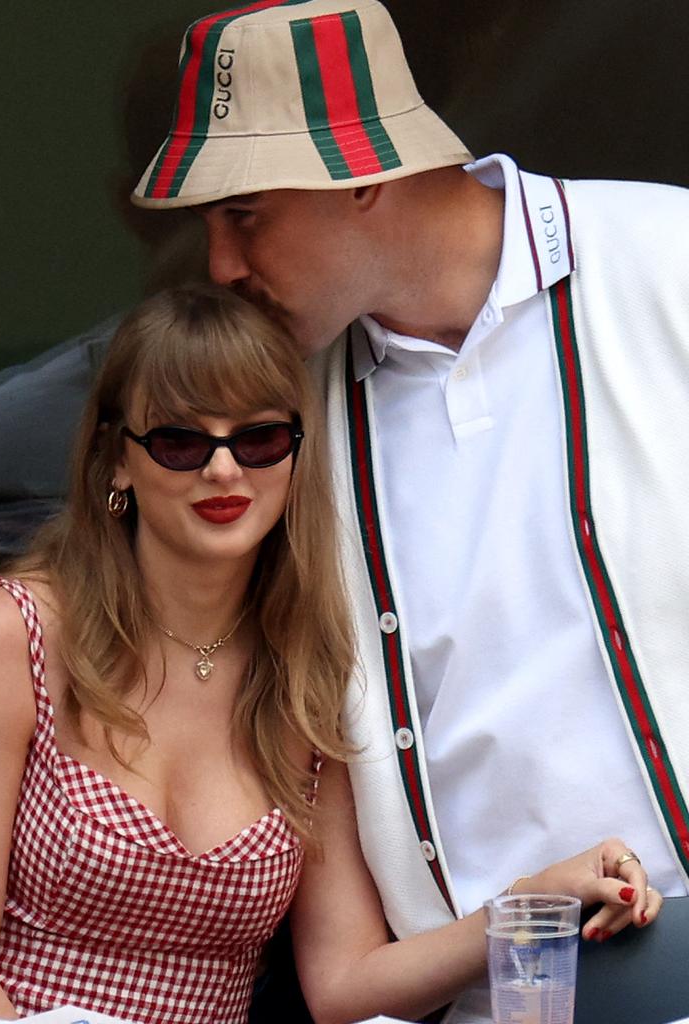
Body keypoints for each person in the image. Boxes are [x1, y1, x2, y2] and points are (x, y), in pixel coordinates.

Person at [130, 0, 689, 1019]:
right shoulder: (267, 425)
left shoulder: (668, 261)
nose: (219, 266)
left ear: (366, 174)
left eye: (244, 213)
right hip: (481, 999)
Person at [0, 283, 661, 1024]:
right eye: (181, 440)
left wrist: (535, 902)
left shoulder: (305, 671)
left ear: (297, 456)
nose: (222, 470)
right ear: (117, 461)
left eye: (259, 438)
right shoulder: (9, 636)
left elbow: (345, 984)